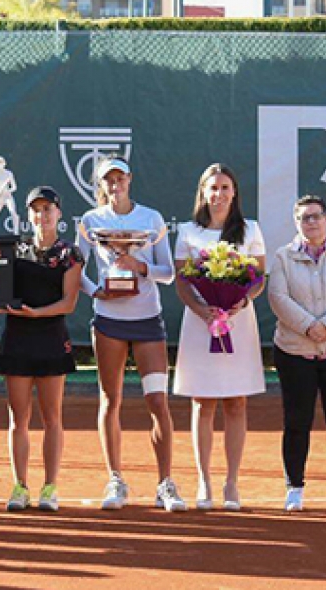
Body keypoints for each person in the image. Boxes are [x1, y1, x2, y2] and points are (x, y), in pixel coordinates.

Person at [75, 155, 186, 512]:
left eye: (120, 178)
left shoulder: (151, 219)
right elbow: (75, 270)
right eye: (108, 179)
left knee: (157, 401)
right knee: (111, 400)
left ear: (129, 180)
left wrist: (139, 265)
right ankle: (116, 480)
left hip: (148, 323)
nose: (115, 185)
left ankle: (165, 483)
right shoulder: (91, 221)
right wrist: (96, 291)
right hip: (108, 322)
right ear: (101, 184)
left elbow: (168, 273)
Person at [174, 163, 266, 511]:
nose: (219, 194)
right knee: (202, 401)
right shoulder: (187, 231)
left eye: (225, 187)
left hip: (238, 322)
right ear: (203, 193)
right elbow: (184, 282)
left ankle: (231, 483)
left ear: (234, 192)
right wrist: (203, 312)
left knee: (236, 402)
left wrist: (239, 303)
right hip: (199, 323)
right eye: (213, 188)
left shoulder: (251, 229)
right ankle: (204, 481)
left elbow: (257, 277)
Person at [0, 186, 82, 512]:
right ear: (28, 215)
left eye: (48, 209)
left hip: (51, 338)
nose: (42, 215)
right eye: (36, 210)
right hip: (17, 339)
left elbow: (69, 303)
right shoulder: (14, 250)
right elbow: (2, 296)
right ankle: (20, 486)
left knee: (52, 416)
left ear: (59, 214)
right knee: (18, 418)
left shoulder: (70, 254)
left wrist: (37, 313)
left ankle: (50, 487)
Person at [268, 195, 326, 512]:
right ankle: (294, 488)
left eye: (316, 216)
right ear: (297, 223)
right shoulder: (282, 257)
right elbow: (278, 297)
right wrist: (309, 326)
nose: (311, 222)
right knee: (297, 421)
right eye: (304, 218)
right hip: (294, 352)